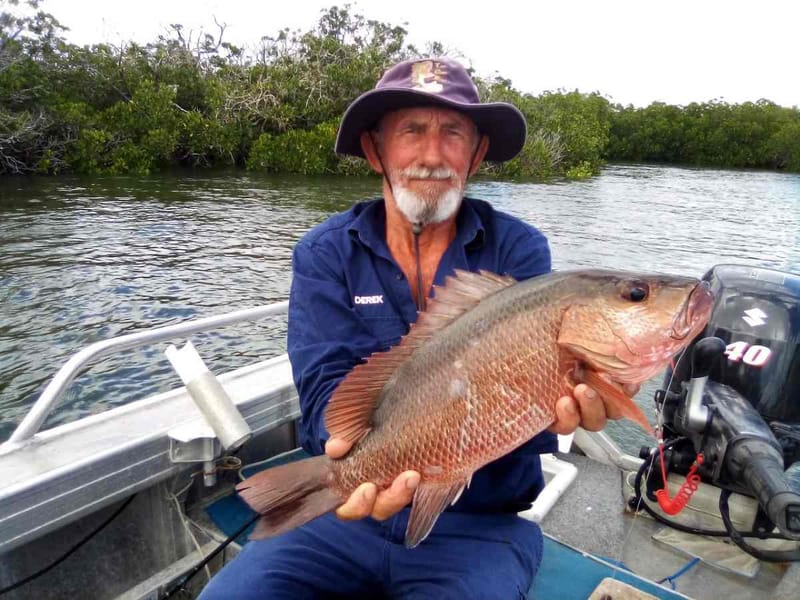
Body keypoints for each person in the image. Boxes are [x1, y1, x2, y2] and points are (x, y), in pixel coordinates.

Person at [200, 57, 626, 600]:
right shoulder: (326, 251)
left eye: (453, 134)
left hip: (479, 526)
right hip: (346, 518)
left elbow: (531, 412)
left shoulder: (517, 247)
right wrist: (359, 469)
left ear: (476, 154)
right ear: (376, 150)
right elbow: (325, 397)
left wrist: (574, 402)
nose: (432, 155)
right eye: (412, 132)